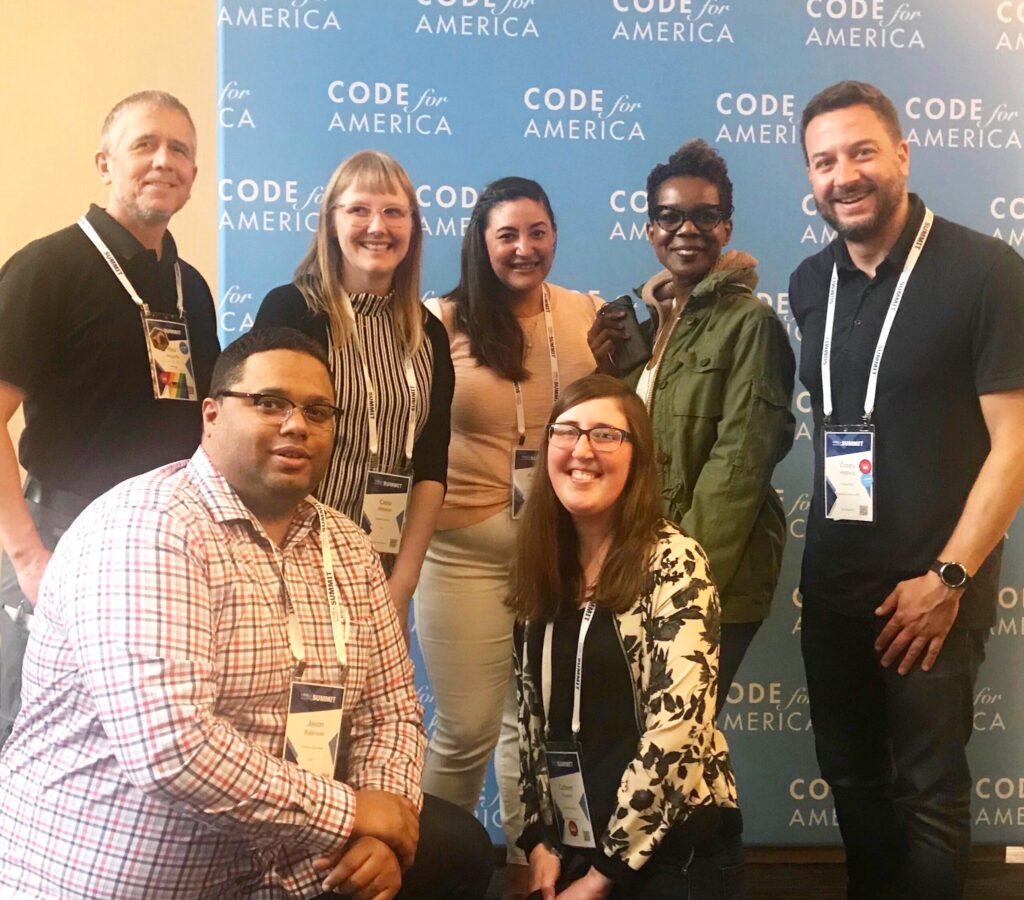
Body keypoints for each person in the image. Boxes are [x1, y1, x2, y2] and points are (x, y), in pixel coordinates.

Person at [0, 327, 493, 899]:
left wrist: (379, 837)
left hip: (287, 868)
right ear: (210, 415)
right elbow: (172, 750)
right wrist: (352, 814)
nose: (296, 424)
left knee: (457, 849)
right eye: (269, 402)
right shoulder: (147, 529)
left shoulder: (349, 547)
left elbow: (392, 712)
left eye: (318, 410)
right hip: (124, 874)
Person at [789, 81, 1024, 900]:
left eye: (860, 152)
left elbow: (1014, 446)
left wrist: (950, 579)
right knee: (850, 777)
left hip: (933, 588)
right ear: (810, 178)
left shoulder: (986, 270)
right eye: (824, 161)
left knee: (926, 789)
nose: (843, 175)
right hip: (834, 582)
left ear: (901, 155)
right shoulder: (809, 282)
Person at [0, 90, 220, 748]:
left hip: (163, 545)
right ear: (105, 163)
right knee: (28, 727)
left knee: (139, 734)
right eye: (143, 145)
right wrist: (27, 555)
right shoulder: (45, 269)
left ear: (193, 174)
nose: (163, 160)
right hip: (60, 536)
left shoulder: (191, 286)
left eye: (179, 149)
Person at [416, 177, 602, 896]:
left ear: (554, 234)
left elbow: (664, 321)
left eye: (538, 232)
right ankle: (431, 870)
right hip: (458, 553)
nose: (524, 248)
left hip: (552, 552)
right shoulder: (439, 320)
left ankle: (534, 871)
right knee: (465, 731)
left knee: (533, 729)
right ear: (480, 242)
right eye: (507, 235)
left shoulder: (586, 314)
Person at [511, 374, 742, 900]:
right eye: (566, 431)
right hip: (575, 846)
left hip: (672, 853)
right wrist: (540, 840)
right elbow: (531, 720)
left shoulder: (675, 563)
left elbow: (677, 730)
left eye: (605, 435)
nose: (582, 450)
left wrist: (602, 876)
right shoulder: (544, 563)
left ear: (637, 456)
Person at [588, 140, 795, 712]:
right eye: (671, 216)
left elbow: (739, 467)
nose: (688, 229)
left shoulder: (751, 325)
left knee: (676, 740)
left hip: (705, 577)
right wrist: (614, 373)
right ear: (651, 229)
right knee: (650, 737)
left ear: (727, 227)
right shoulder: (656, 323)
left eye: (706, 216)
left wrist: (682, 582)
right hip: (642, 564)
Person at [254, 150, 453, 629]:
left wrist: (400, 587)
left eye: (393, 211)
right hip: (289, 560)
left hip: (381, 567)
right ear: (331, 223)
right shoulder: (290, 311)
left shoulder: (428, 332)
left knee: (368, 705)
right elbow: (259, 445)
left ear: (413, 226)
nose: (377, 226)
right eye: (359, 209)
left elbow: (431, 465)